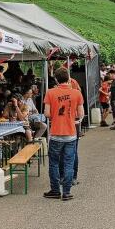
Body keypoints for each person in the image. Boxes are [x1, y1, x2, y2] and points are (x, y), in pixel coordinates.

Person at [43, 67, 84, 201]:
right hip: (71, 133)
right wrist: (73, 117)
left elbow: (47, 114)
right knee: (68, 163)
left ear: (56, 79)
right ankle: (66, 192)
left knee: (54, 163)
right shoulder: (77, 93)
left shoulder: (50, 92)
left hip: (55, 133)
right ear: (68, 78)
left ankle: (55, 190)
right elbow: (81, 114)